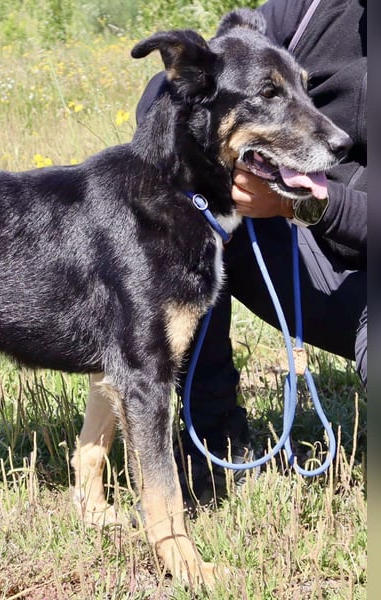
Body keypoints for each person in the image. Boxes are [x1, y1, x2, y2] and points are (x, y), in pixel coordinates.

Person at [135, 0, 367, 505]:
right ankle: (212, 444)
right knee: (194, 209)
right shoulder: (313, 9)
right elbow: (171, 91)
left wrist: (310, 208)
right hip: (305, 253)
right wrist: (227, 169)